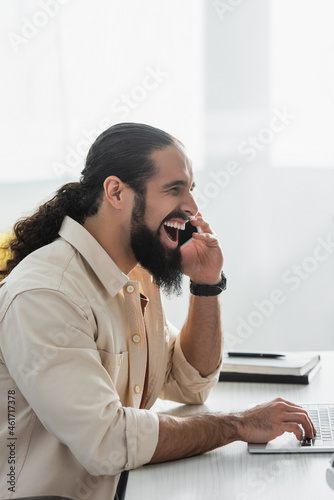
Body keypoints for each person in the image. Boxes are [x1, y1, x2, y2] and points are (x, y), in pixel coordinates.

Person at [0, 123, 315, 500]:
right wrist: (241, 424)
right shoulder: (47, 294)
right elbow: (107, 442)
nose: (193, 208)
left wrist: (205, 284)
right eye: (174, 189)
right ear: (116, 192)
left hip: (129, 487)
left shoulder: (135, 276)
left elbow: (189, 383)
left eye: (191, 190)